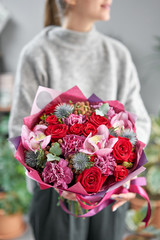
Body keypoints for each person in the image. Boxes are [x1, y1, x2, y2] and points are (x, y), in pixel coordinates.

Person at [9, 0, 151, 239]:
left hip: (111, 192)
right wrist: (57, 181)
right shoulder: (38, 53)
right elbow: (19, 130)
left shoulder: (117, 55)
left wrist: (126, 177)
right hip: (55, 196)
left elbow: (142, 124)